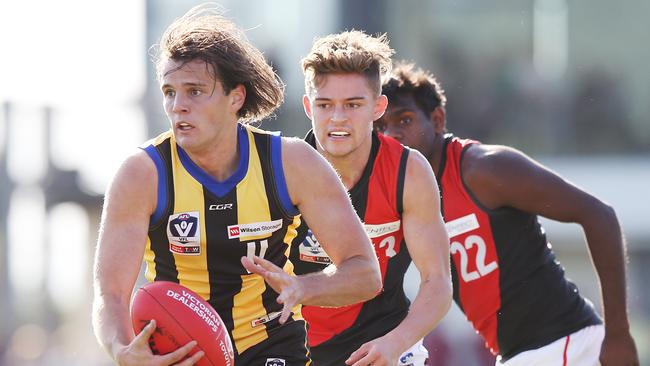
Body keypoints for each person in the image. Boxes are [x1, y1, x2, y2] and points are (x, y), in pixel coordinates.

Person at [91, 6, 382, 366]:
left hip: (271, 347)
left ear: (236, 97)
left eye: (195, 91)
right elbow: (111, 295)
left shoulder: (291, 163)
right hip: (180, 353)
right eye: (169, 92)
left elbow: (365, 273)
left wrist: (303, 287)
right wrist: (122, 352)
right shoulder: (142, 173)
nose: (178, 106)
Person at [374, 62, 639, 366]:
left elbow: (599, 215)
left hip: (566, 346)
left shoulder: (483, 169)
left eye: (404, 120)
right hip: (519, 355)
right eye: (380, 128)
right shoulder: (401, 196)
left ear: (437, 120)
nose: (391, 136)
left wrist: (618, 334)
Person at [290, 31, 452, 366]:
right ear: (308, 106)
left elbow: (437, 283)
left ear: (378, 107)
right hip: (296, 348)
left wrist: (396, 343)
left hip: (383, 343)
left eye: (352, 105)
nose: (337, 118)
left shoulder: (408, 171)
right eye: (324, 105)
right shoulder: (281, 170)